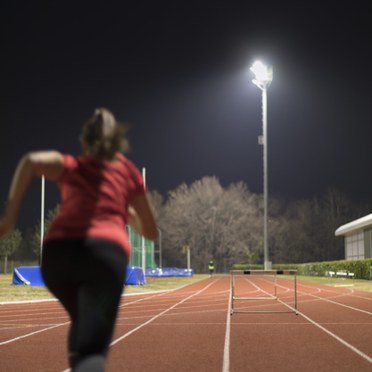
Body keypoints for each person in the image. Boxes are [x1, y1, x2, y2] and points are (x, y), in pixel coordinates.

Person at [0, 108, 158, 372]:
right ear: (117, 143)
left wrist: (9, 219)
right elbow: (152, 232)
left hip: (57, 255)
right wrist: (129, 215)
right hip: (104, 256)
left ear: (84, 143)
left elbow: (29, 160)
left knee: (83, 322)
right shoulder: (129, 173)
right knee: (93, 349)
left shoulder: (72, 165)